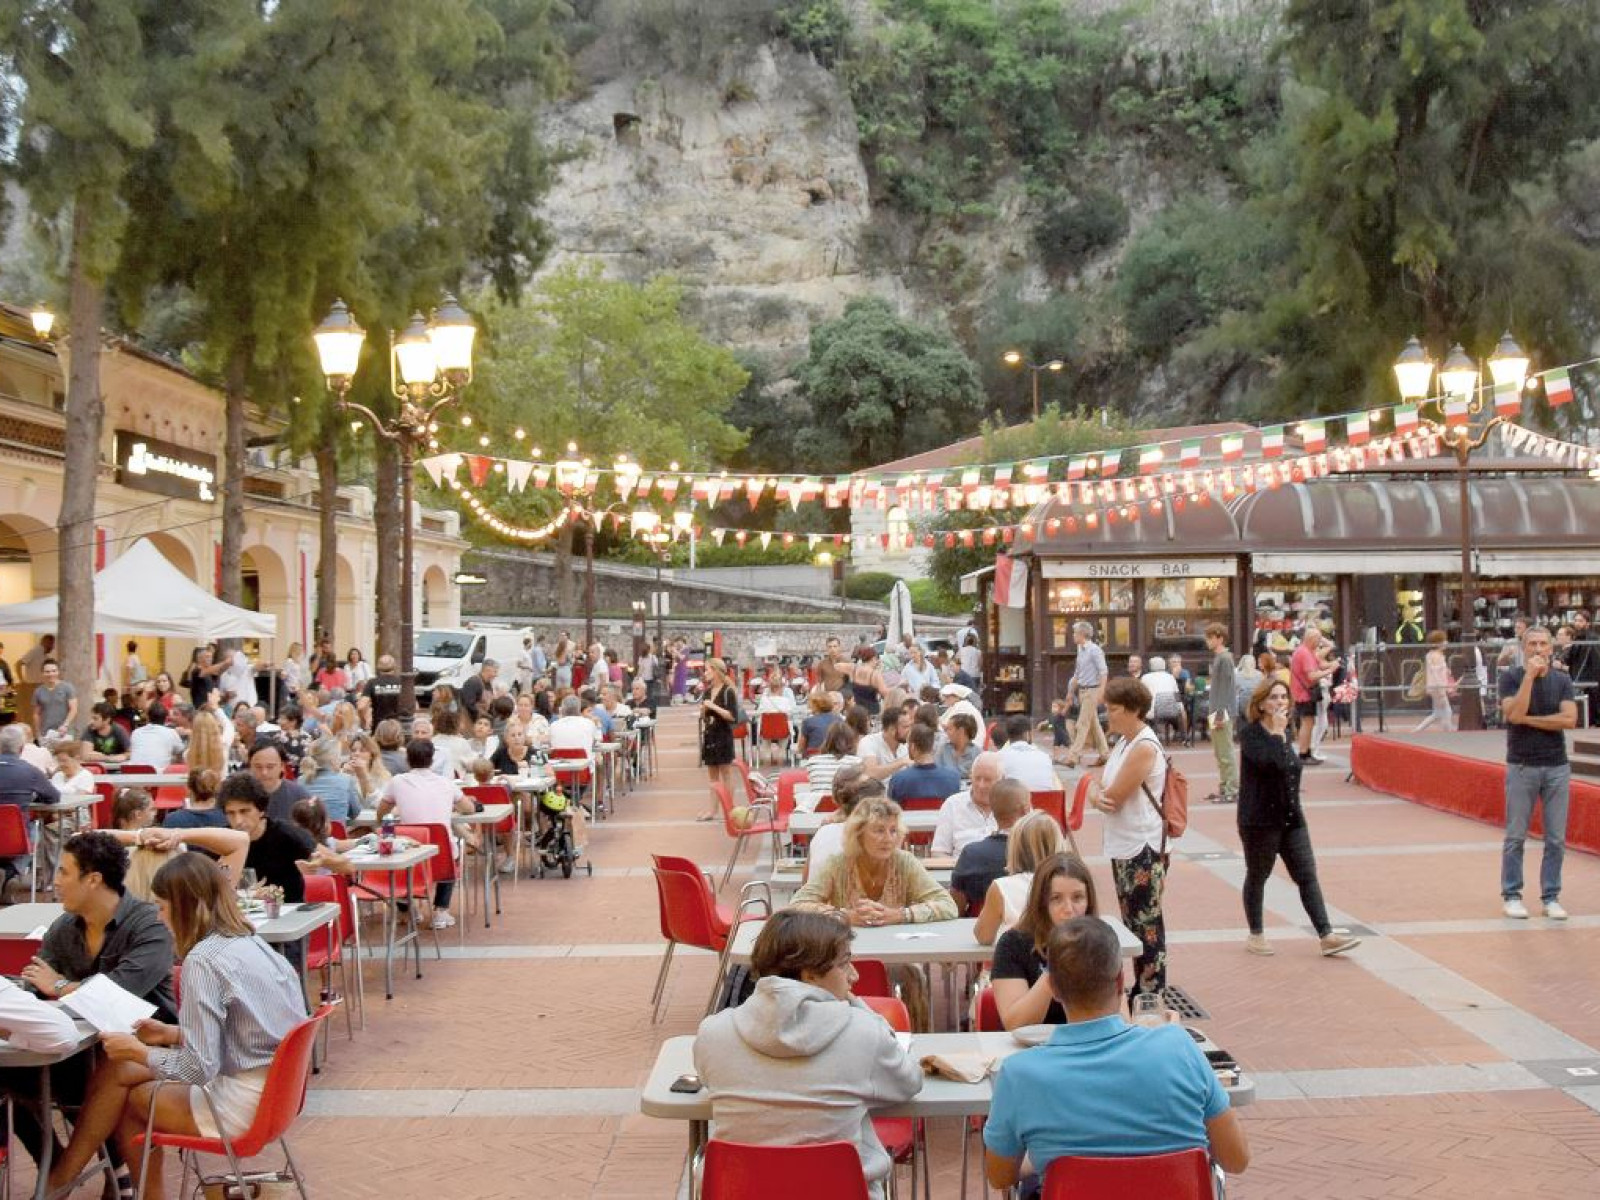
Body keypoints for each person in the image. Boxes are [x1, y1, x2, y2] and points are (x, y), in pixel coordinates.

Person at [46, 852, 308, 1200]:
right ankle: (63, 1179)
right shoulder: (254, 943)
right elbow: (254, 1030)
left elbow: (199, 1068)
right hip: (279, 1094)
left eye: (163, 907)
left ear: (187, 906)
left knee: (130, 1100)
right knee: (121, 1068)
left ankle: (73, 1183)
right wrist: (171, 1034)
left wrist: (142, 1051)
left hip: (241, 1103)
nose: (158, 916)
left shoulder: (203, 959)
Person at [983, 917, 1249, 1190]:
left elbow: (999, 1176)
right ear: (1120, 979)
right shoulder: (1179, 1046)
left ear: (1052, 988)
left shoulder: (1020, 1075)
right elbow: (1236, 1159)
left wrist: (1043, 1157)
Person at [692, 909, 922, 1200]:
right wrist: (857, 1006)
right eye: (845, 964)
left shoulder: (714, 1033)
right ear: (810, 973)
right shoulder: (863, 1032)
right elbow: (909, 1082)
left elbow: (709, 1080)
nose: (855, 974)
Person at [1238, 677, 1360, 957]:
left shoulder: (1287, 731)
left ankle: (1326, 934)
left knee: (1307, 875)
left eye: (1283, 697)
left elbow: (1292, 769)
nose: (1280, 702)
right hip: (1259, 821)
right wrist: (1278, 737)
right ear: (1261, 704)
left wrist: (1282, 737)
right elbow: (1271, 764)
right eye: (1273, 698)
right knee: (1258, 875)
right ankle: (1256, 934)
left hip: (1291, 818)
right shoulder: (1251, 734)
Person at [1085, 676, 1168, 1003]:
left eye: (1114, 709)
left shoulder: (1144, 746)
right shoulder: (1124, 742)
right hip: (1124, 843)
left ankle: (1151, 993)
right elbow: (1099, 789)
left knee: (1146, 923)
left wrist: (1095, 794)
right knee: (1133, 920)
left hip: (1141, 847)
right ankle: (1143, 988)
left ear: (1134, 710)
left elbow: (1112, 797)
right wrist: (1095, 793)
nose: (1109, 715)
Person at [1499, 625, 1577, 920]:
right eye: (1532, 644)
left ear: (1551, 648)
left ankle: (1551, 896)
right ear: (1523, 647)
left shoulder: (1562, 680)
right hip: (1521, 765)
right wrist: (1529, 678)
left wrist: (1529, 719)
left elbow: (1569, 720)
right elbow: (1513, 713)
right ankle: (1512, 894)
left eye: (1543, 644)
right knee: (1516, 836)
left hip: (1557, 766)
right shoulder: (1511, 677)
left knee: (1556, 838)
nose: (1538, 649)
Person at [793, 797, 958, 928]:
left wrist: (899, 915)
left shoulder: (904, 862)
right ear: (859, 834)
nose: (888, 839)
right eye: (879, 830)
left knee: (907, 972)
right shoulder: (837, 863)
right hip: (844, 954)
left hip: (897, 952)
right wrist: (844, 916)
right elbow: (797, 905)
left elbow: (948, 905)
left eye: (893, 831)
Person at [989, 853, 1098, 1029]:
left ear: (1089, 901)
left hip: (1084, 1048)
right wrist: (1056, 968)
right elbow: (1015, 1023)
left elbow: (1120, 1019)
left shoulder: (1100, 942)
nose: (1069, 910)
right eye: (1056, 899)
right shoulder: (1013, 943)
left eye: (1077, 898)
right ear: (1042, 903)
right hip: (1029, 1050)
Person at [376, 739, 475, 928]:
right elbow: (468, 808)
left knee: (396, 860)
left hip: (411, 852)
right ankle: (441, 911)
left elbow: (382, 812)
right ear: (431, 760)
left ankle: (407, 908)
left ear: (407, 759)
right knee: (451, 851)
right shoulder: (446, 783)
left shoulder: (397, 782)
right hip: (441, 853)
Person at [974, 809, 1071, 944]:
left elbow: (983, 937)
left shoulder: (1002, 888)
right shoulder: (1073, 882)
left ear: (1015, 847)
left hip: (1017, 961)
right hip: (1064, 960)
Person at [220, 770, 315, 905]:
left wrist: (315, 863)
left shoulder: (287, 836)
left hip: (288, 916)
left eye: (244, 811)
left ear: (261, 810)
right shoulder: (222, 841)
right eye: (231, 813)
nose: (238, 820)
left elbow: (322, 857)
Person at [950, 779, 1031, 916]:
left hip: (979, 929)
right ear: (1026, 810)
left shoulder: (972, 854)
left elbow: (956, 906)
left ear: (992, 810)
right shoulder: (1039, 851)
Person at [930, 751, 1003, 858]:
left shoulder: (1013, 805)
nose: (981, 785)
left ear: (1000, 781)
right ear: (970, 777)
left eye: (987, 780)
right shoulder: (952, 805)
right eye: (977, 778)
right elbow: (939, 852)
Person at [697, 657, 739, 822]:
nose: (705, 673)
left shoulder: (728, 691)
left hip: (723, 734)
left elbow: (732, 716)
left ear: (716, 671)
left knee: (726, 773)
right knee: (712, 776)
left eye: (707, 670)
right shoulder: (707, 692)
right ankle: (712, 810)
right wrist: (702, 711)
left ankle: (729, 809)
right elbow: (704, 715)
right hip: (710, 734)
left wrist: (713, 706)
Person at [1061, 622, 1109, 768]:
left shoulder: (1094, 650)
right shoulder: (1080, 649)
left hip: (1092, 691)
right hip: (1082, 690)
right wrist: (1070, 692)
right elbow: (1077, 673)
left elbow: (1103, 671)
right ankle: (1104, 754)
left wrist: (1101, 691)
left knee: (1082, 724)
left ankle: (1073, 757)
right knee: (1094, 724)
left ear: (1082, 634)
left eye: (1075, 633)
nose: (1073, 635)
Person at [886, 723, 962, 807]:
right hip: (941, 820)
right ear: (932, 746)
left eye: (908, 744)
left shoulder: (898, 780)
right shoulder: (953, 778)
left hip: (910, 820)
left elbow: (891, 812)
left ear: (913, 747)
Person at [1205, 624, 1239, 805]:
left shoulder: (1224, 658)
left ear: (1219, 637)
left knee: (1225, 752)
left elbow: (1226, 689)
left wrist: (1219, 714)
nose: (1207, 641)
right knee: (1220, 752)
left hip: (1221, 712)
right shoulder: (1222, 658)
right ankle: (1225, 786)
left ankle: (1231, 789)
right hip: (1218, 711)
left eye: (1210, 637)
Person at [1290, 628, 1334, 762]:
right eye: (1317, 639)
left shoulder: (1305, 651)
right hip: (1304, 692)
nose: (1319, 642)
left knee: (1309, 722)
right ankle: (1304, 753)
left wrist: (1322, 639)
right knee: (1307, 722)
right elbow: (1312, 675)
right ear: (1310, 639)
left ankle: (1306, 752)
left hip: (1303, 691)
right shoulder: (1305, 653)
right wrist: (1330, 670)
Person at [297, 737, 364, 823]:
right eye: (339, 756)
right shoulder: (346, 780)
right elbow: (355, 812)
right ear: (333, 760)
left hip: (308, 834)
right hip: (336, 834)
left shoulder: (301, 781)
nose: (340, 760)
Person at [245, 739, 309, 823]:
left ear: (282, 766)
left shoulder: (299, 796)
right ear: (250, 766)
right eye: (258, 767)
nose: (264, 772)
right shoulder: (238, 795)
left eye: (270, 767)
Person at [803, 722, 862, 808]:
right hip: (846, 810)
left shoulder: (812, 761)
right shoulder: (857, 762)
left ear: (827, 740)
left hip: (816, 809)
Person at [996, 715, 1058, 792]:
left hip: (1013, 802)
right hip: (1044, 802)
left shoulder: (997, 758)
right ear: (1027, 734)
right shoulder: (1044, 757)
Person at [1413, 629, 1457, 734]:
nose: (1446, 642)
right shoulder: (1438, 656)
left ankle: (1418, 730)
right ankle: (1448, 731)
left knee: (1437, 712)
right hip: (1438, 687)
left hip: (1432, 686)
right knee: (1447, 710)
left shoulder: (1430, 655)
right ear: (1438, 643)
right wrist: (1442, 689)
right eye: (1444, 640)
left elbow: (1434, 672)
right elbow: (1437, 674)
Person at [857, 706, 913, 781]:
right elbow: (870, 774)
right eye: (905, 727)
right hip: (877, 792)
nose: (910, 730)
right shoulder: (868, 742)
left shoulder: (907, 744)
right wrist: (901, 762)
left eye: (910, 726)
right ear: (891, 729)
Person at [31, 659, 77, 743]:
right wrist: (38, 733)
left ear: (58, 672)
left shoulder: (67, 687)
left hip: (65, 732)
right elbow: (36, 714)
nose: (51, 674)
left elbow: (73, 709)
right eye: (47, 672)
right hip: (46, 733)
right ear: (42, 673)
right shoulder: (38, 691)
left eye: (54, 671)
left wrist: (65, 725)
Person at [129, 702, 184, 769]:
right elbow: (181, 757)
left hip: (133, 774)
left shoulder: (135, 733)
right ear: (166, 718)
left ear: (148, 717)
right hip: (159, 776)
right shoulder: (171, 733)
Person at [362, 654, 405, 727]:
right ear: (394, 666)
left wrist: (363, 721)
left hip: (378, 726)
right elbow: (414, 706)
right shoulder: (402, 682)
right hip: (398, 726)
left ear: (378, 666)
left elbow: (361, 706)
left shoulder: (372, 682)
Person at [798, 690, 841, 756]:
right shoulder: (840, 720)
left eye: (810, 704)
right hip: (835, 756)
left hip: (814, 757)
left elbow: (801, 748)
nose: (808, 706)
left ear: (815, 706)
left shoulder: (808, 722)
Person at [848, 647, 888, 718]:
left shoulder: (854, 670)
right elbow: (884, 692)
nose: (877, 661)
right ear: (873, 659)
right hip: (872, 709)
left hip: (857, 709)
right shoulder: (875, 674)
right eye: (877, 659)